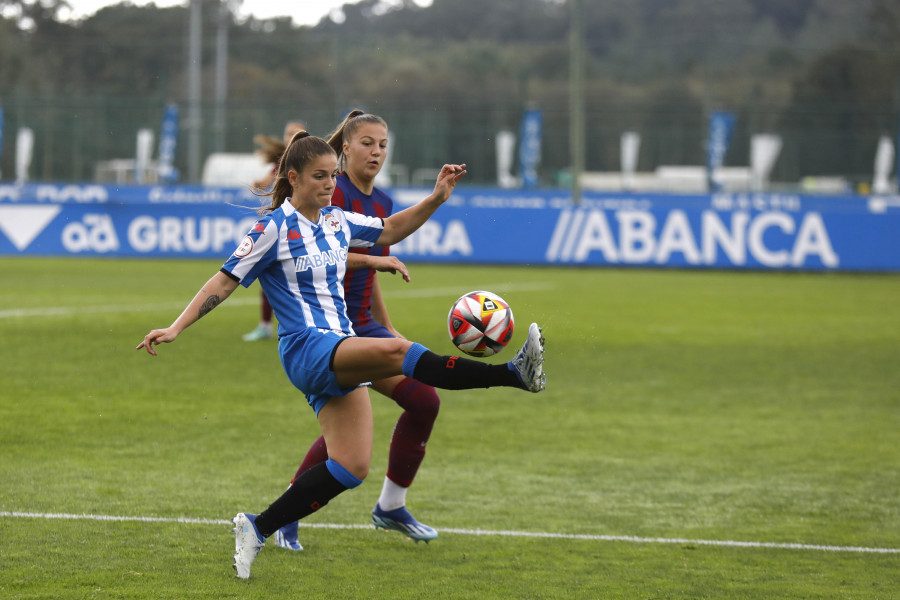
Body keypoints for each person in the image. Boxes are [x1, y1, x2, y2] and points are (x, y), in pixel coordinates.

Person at [136, 131, 545, 580]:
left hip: (338, 346)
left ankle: (257, 527)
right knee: (397, 350)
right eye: (319, 176)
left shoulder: (335, 221)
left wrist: (436, 199)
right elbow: (224, 281)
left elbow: (390, 229)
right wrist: (175, 327)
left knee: (351, 467)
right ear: (292, 178)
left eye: (333, 175)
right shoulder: (272, 228)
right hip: (307, 347)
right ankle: (512, 373)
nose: (330, 184)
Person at [271, 111, 439, 552]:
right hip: (329, 328)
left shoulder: (381, 203)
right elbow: (319, 253)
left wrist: (386, 327)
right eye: (367, 143)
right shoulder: (329, 191)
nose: (377, 152)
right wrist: (373, 261)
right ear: (345, 148)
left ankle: (390, 506)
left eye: (383, 144)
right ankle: (291, 512)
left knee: (420, 402)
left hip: (363, 323)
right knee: (358, 423)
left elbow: (370, 277)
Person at [243, 120, 306, 342]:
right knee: (270, 273)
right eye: (287, 133)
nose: (290, 137)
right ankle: (267, 325)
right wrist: (259, 183)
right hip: (283, 227)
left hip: (303, 227)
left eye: (294, 133)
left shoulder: (308, 160)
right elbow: (268, 180)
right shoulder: (283, 162)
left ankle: (297, 325)